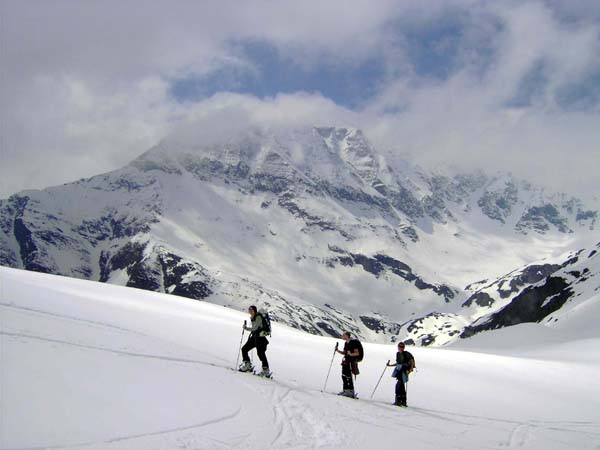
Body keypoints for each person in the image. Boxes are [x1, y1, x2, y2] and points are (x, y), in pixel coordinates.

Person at [239, 305, 271, 377]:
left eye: (251, 309)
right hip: (255, 337)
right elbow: (255, 328)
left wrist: (246, 328)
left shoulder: (258, 317)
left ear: (254, 310)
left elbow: (255, 328)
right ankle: (248, 365)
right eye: (249, 309)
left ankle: (266, 371)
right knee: (244, 349)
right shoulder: (253, 317)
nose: (250, 311)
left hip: (260, 338)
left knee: (261, 353)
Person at [387, 341, 414, 407]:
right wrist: (390, 365)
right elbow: (398, 363)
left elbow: (411, 362)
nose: (400, 348)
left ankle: (398, 401)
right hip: (399, 371)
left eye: (402, 347)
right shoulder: (398, 354)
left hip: (404, 371)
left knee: (399, 386)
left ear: (403, 348)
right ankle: (403, 401)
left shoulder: (406, 354)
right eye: (399, 346)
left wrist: (409, 370)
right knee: (401, 386)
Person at [336, 331, 361, 397]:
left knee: (348, 376)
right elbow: (345, 352)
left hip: (350, 361)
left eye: (343, 335)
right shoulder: (346, 343)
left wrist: (350, 354)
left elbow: (357, 353)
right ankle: (346, 390)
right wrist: (338, 350)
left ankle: (349, 391)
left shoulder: (353, 343)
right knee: (344, 375)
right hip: (346, 361)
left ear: (346, 336)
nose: (342, 336)